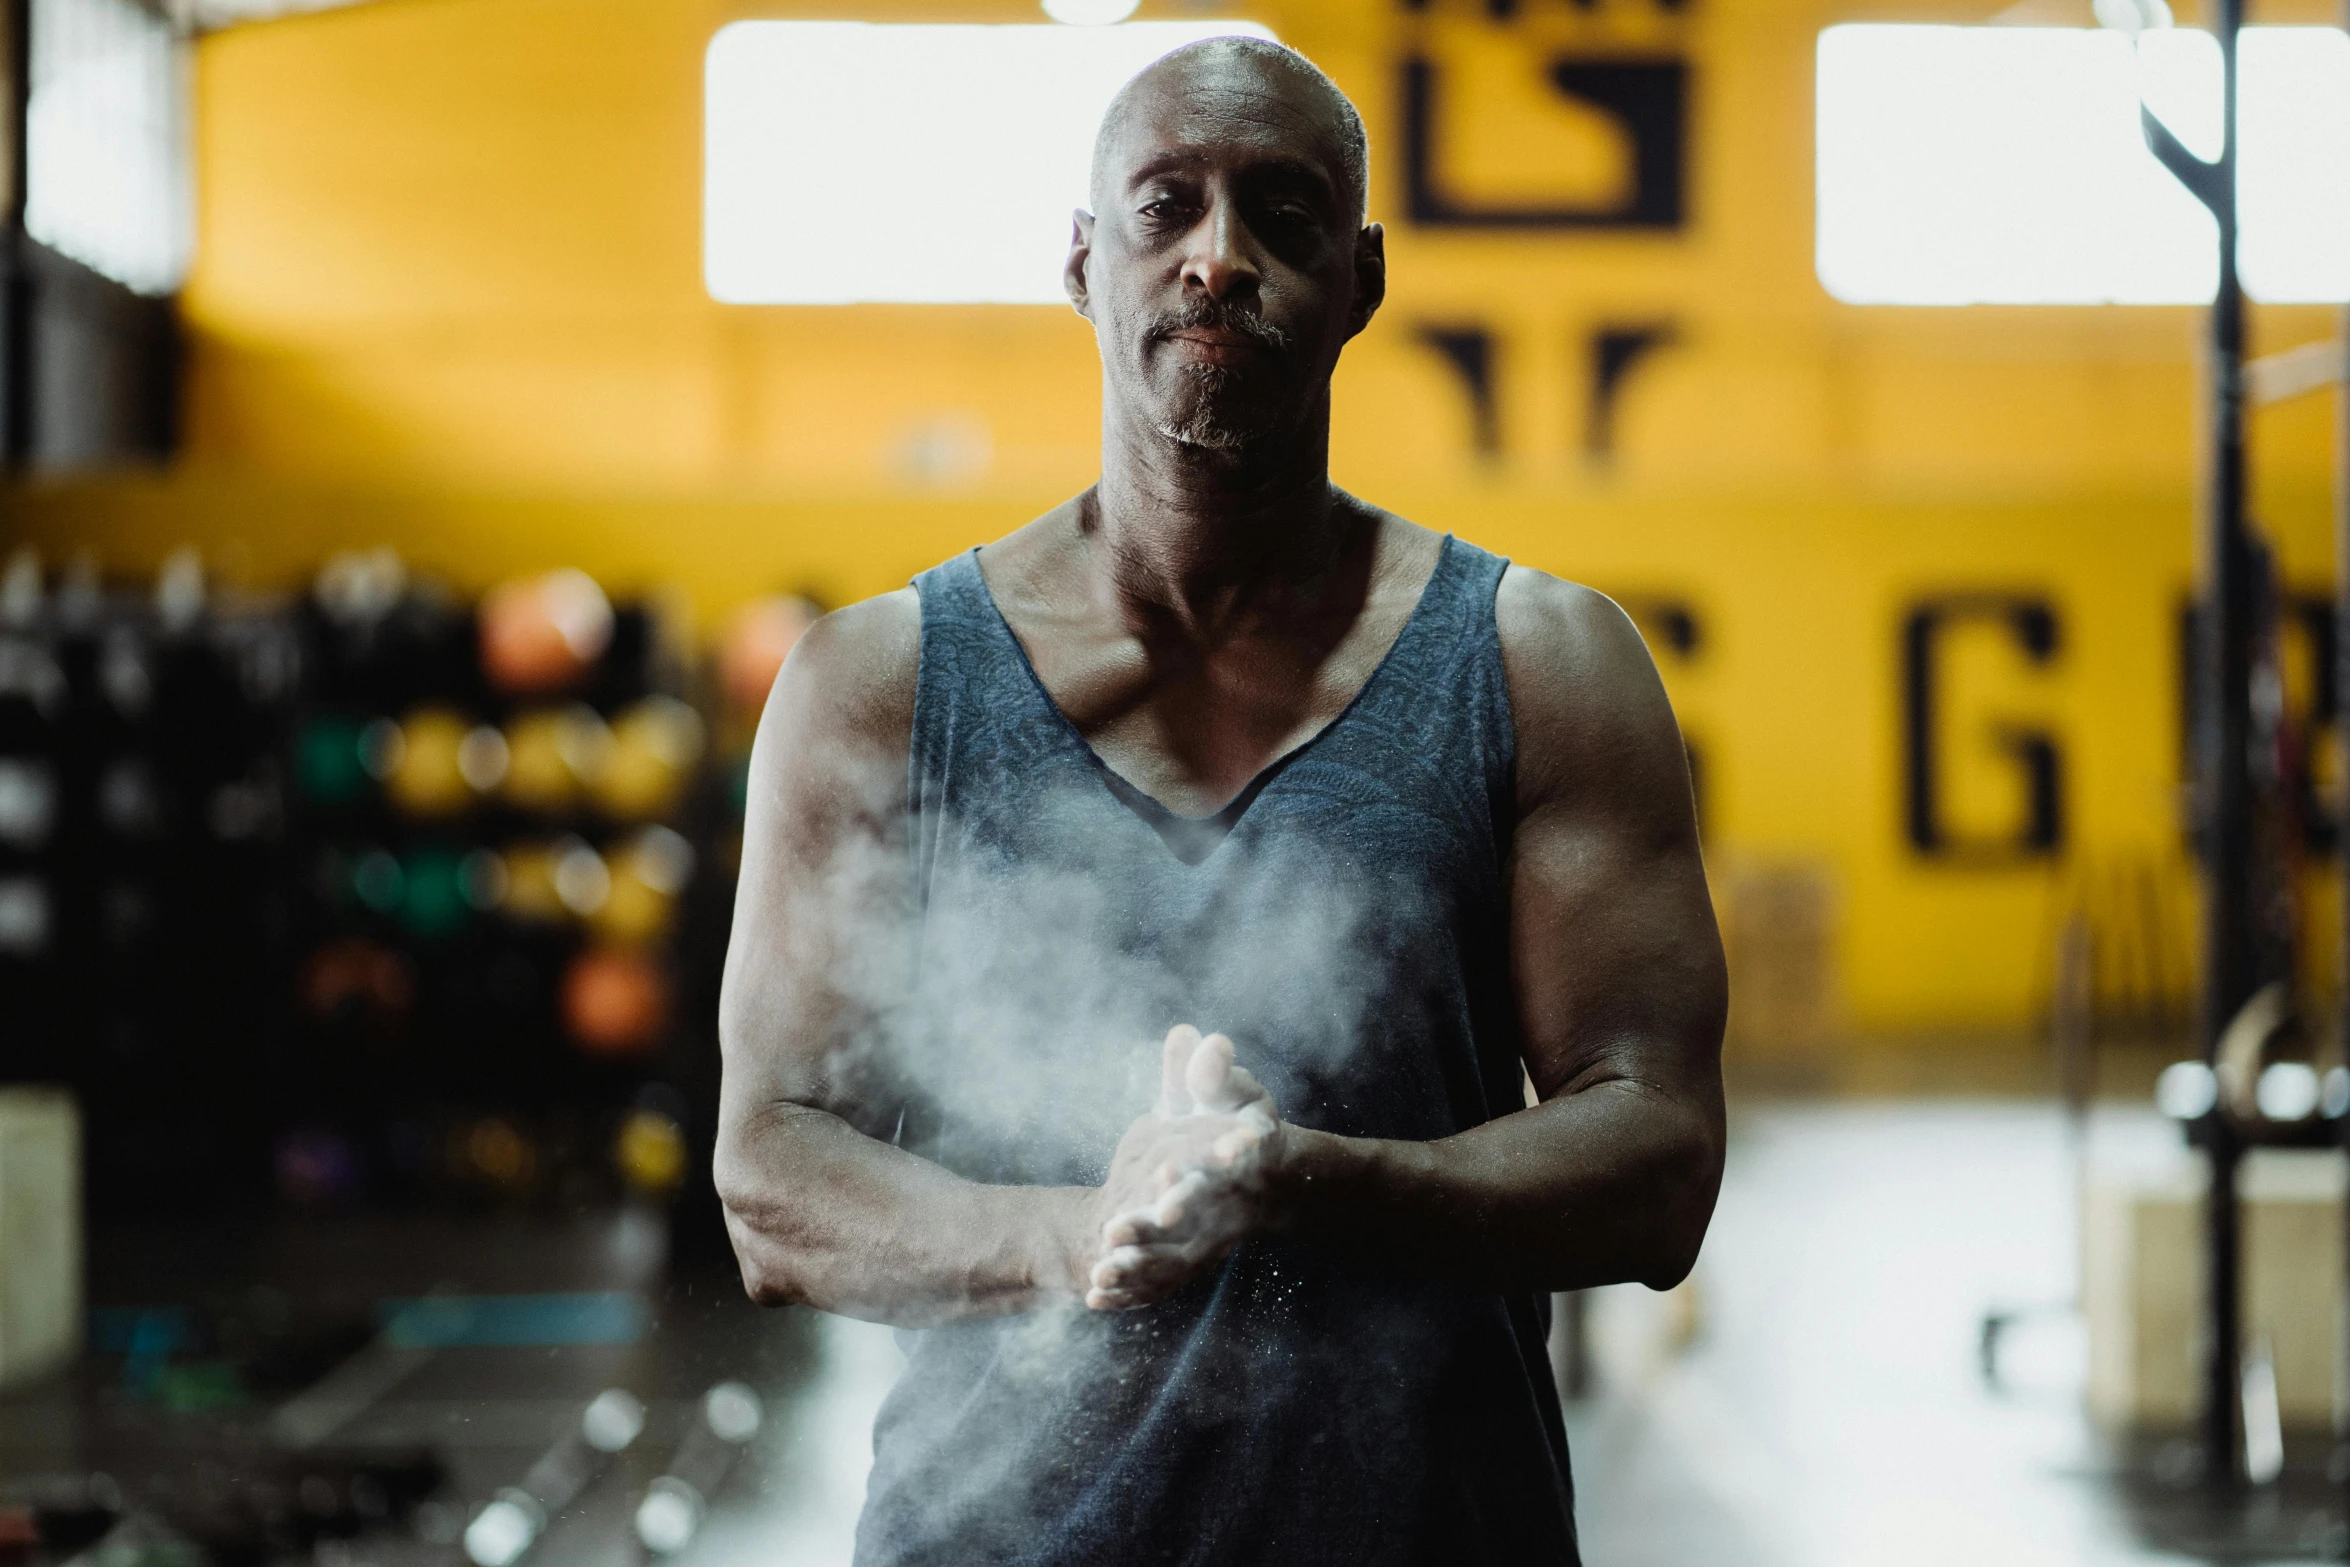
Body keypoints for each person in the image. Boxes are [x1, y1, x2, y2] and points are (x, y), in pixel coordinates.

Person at [715, 36, 1725, 1567]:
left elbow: (1653, 1161)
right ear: (1080, 262)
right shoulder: (879, 685)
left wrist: (1304, 1185)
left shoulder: (1536, 664)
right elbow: (770, 1179)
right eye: (1163, 207)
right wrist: (1089, 1235)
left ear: (1364, 277)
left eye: (1282, 214)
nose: (1217, 257)